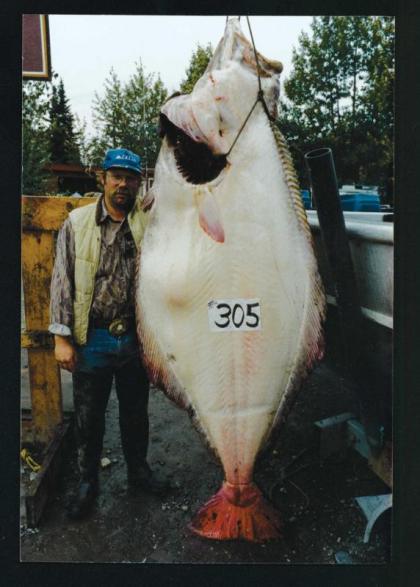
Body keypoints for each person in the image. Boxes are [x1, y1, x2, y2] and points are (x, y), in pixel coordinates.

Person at [49, 148, 168, 520]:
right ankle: (88, 482)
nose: (123, 184)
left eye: (130, 178)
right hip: (92, 336)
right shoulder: (77, 223)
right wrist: (61, 338)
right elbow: (61, 282)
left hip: (134, 337)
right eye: (116, 176)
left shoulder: (149, 222)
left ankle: (139, 472)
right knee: (89, 417)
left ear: (138, 183)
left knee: (136, 412)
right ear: (102, 178)